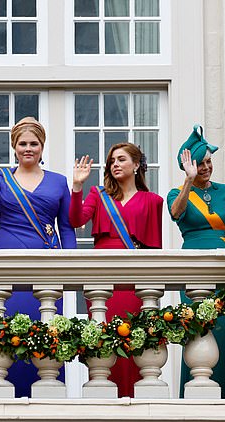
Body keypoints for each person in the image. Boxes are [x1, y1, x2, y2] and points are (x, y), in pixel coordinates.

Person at [0, 117, 76, 397]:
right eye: (23, 144)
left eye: (34, 144)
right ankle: (1, 396)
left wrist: (71, 263)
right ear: (14, 147)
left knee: (45, 329)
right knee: (5, 330)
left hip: (45, 263)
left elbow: (66, 226)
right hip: (7, 260)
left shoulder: (59, 181)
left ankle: (47, 397)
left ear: (42, 147)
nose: (28, 148)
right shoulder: (3, 177)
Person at [68, 143, 163, 398]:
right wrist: (77, 187)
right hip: (103, 276)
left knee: (135, 342)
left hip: (135, 279)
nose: (115, 164)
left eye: (121, 159)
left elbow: (155, 249)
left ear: (136, 165)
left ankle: (136, 402)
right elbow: (75, 220)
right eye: (112, 161)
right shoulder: (98, 195)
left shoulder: (153, 201)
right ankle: (104, 400)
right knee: (104, 341)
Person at [166, 125, 225, 399]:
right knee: (199, 332)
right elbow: (177, 214)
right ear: (188, 167)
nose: (205, 167)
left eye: (208, 162)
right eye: (200, 164)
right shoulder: (176, 193)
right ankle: (195, 396)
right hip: (194, 269)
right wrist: (189, 182)